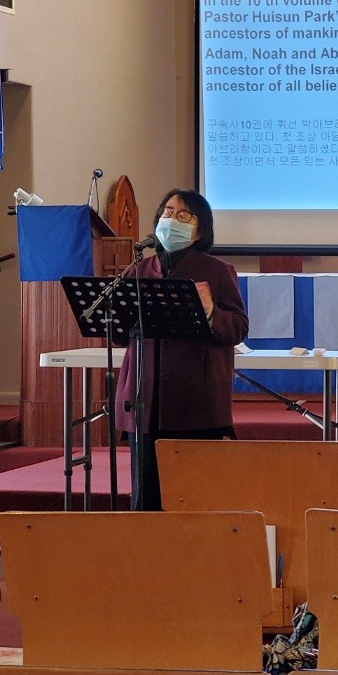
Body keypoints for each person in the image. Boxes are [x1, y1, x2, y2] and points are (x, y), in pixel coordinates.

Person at [114, 189, 249, 510]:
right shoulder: (139, 270)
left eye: (183, 215)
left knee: (193, 498)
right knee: (145, 500)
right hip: (145, 400)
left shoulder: (217, 271)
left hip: (195, 401)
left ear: (200, 230)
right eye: (167, 211)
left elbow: (238, 328)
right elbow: (120, 334)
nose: (171, 219)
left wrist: (211, 312)